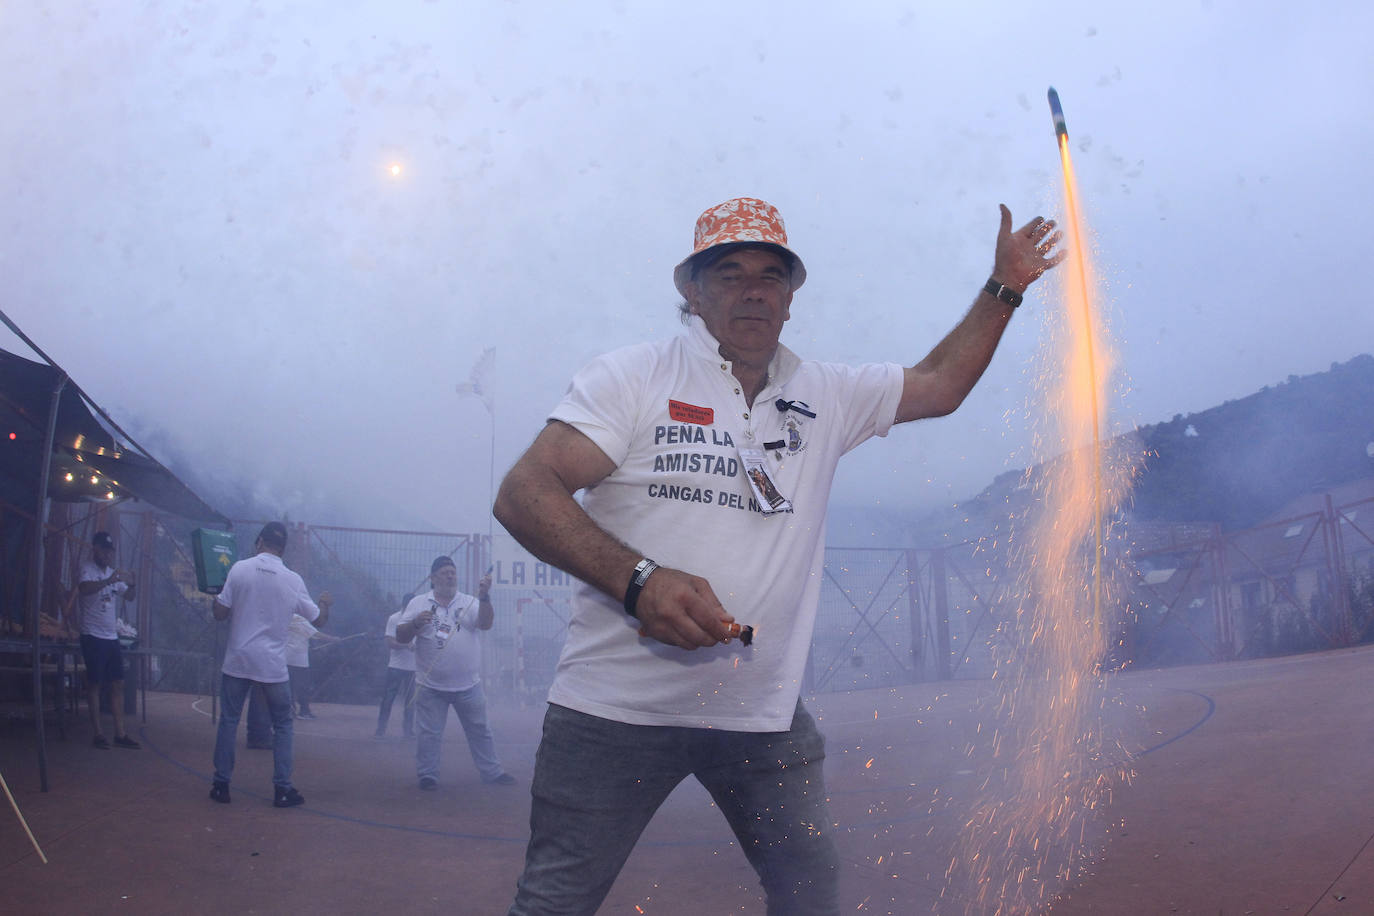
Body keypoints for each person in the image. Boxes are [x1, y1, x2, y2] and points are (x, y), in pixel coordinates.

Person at [493, 196, 1064, 914]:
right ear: (691, 290)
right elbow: (524, 491)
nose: (754, 290)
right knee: (555, 902)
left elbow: (940, 384)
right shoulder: (632, 377)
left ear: (791, 297)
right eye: (729, 274)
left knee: (809, 894)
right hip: (613, 711)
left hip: (760, 714)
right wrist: (639, 581)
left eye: (771, 275)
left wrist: (1005, 285)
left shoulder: (825, 393)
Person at [208, 521, 332, 807]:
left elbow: (220, 613)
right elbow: (319, 620)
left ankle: (221, 785)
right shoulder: (292, 579)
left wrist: (216, 598)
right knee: (284, 725)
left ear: (259, 542)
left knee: (229, 720)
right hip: (272, 664)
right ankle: (282, 789)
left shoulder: (239, 569)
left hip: (238, 659)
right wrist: (326, 602)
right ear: (282, 548)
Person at [395, 556, 514, 788]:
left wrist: (484, 597)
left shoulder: (469, 601)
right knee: (429, 734)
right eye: (444, 573)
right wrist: (416, 623)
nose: (450, 576)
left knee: (480, 730)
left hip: (469, 685)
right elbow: (401, 637)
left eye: (453, 572)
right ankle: (428, 775)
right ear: (433, 578)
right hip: (430, 685)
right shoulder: (418, 603)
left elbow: (486, 624)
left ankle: (493, 772)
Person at [76, 531, 140, 750]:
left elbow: (129, 596)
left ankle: (120, 733)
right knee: (94, 683)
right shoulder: (87, 569)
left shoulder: (113, 573)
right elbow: (84, 589)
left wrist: (132, 583)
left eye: (110, 551)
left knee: (118, 682)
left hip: (110, 636)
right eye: (104, 550)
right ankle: (98, 733)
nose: (107, 555)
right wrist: (108, 581)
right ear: (95, 549)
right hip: (92, 634)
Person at [375, 592, 418, 739]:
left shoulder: (419, 620)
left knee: (410, 702)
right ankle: (380, 730)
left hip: (413, 668)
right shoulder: (394, 618)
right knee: (388, 699)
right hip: (396, 666)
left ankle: (408, 731)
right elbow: (390, 642)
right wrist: (406, 645)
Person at [285, 612, 341, 718]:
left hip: (288, 658)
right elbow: (315, 634)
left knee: (290, 686)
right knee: (303, 686)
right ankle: (304, 711)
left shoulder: (287, 617)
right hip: (298, 659)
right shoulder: (298, 619)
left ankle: (291, 710)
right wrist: (333, 639)